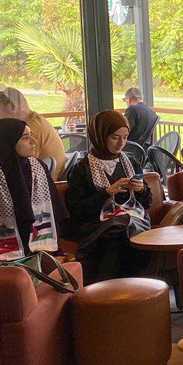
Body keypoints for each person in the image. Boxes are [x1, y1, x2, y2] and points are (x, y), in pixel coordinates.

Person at [0, 118, 67, 263]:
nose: (33, 141)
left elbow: (54, 213)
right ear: (8, 142)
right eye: (25, 137)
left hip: (40, 249)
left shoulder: (39, 168)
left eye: (31, 135)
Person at [65, 110, 151, 283]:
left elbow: (147, 203)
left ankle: (109, 290)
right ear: (99, 136)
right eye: (115, 137)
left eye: (125, 137)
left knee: (122, 233)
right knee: (121, 235)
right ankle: (129, 289)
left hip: (129, 221)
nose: (121, 143)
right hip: (96, 225)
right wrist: (106, 193)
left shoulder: (131, 163)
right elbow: (77, 211)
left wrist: (141, 189)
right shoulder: (81, 169)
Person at [0, 88, 67, 181]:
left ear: (12, 106)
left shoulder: (30, 131)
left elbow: (16, 171)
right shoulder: (34, 121)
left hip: (44, 185)